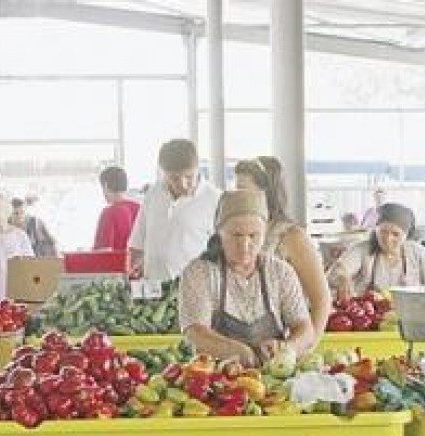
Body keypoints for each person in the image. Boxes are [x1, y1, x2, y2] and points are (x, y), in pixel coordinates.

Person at [179, 190, 315, 367]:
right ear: (219, 232)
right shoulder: (200, 272)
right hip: (215, 380)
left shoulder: (281, 272)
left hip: (274, 379)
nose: (245, 245)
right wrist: (236, 351)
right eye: (236, 235)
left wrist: (286, 348)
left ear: (264, 233)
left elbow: (305, 330)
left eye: (253, 235)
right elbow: (195, 333)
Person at [234, 156, 331, 343]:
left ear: (266, 193)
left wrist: (303, 349)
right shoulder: (233, 234)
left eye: (243, 190)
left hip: (281, 347)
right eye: (235, 189)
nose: (236, 197)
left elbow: (321, 300)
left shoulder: (291, 236)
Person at [128, 138, 221, 281]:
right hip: (153, 287)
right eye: (174, 178)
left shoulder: (215, 199)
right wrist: (134, 269)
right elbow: (138, 242)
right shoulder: (153, 193)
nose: (183, 184)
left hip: (194, 288)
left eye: (189, 177)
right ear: (163, 172)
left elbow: (222, 253)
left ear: (198, 167)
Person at [327, 202, 425, 299]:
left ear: (407, 235)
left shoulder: (419, 253)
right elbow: (337, 271)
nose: (388, 239)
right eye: (383, 232)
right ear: (375, 229)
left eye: (395, 234)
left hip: (410, 314)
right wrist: (342, 277)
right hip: (369, 317)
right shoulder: (361, 249)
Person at [93, 165, 140, 251]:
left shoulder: (109, 213)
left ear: (106, 186)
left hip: (118, 264)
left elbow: (102, 253)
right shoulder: (139, 209)